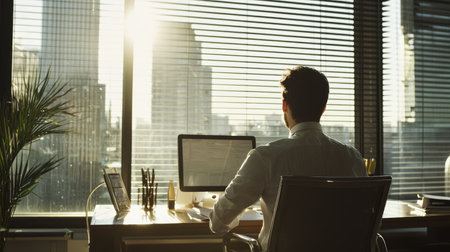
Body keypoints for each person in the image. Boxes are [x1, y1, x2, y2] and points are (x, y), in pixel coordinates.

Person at [208, 66, 367, 251]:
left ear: (285, 105)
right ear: (323, 109)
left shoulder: (265, 158)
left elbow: (218, 223)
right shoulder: (353, 158)